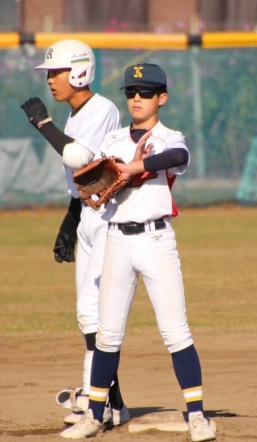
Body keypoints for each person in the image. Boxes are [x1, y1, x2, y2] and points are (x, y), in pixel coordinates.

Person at [60, 63, 217, 442]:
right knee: (107, 336)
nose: (137, 98)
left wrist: (133, 166)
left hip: (156, 241)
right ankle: (94, 414)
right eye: (131, 92)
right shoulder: (112, 140)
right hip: (116, 241)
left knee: (175, 331)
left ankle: (197, 415)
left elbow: (175, 157)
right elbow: (92, 180)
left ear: (162, 98)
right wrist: (103, 182)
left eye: (146, 93)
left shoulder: (168, 136)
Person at [20, 39, 129, 427]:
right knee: (87, 313)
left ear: (80, 72)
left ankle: (96, 399)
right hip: (88, 214)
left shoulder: (101, 109)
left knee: (96, 311)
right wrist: (70, 219)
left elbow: (78, 157)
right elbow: (82, 177)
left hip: (107, 217)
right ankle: (111, 401)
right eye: (49, 73)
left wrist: (43, 124)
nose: (50, 80)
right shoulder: (76, 114)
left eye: (57, 72)